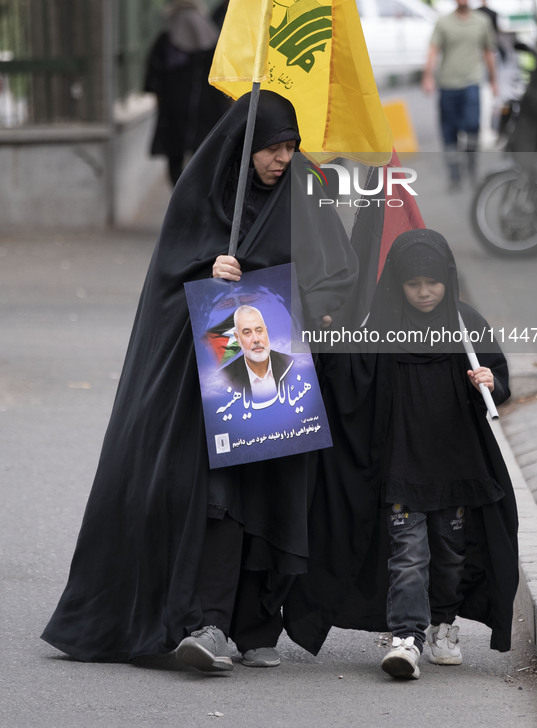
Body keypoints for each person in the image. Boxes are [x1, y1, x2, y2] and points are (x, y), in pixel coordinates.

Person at [41, 90, 358, 673]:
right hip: (206, 378)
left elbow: (338, 272)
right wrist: (210, 268)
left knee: (275, 488)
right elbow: (169, 275)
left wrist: (321, 306)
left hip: (283, 369)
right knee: (218, 498)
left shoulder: (304, 195)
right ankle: (205, 621)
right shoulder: (205, 192)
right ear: (243, 147)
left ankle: (256, 626)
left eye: (290, 147)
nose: (282, 159)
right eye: (270, 148)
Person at [283, 229, 518, 682]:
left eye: (433, 282)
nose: (425, 292)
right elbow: (350, 385)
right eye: (414, 283)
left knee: (449, 555)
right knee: (408, 555)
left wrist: (490, 383)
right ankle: (405, 637)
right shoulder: (377, 328)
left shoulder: (465, 325)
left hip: (456, 469)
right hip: (400, 467)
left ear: (448, 279)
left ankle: (442, 624)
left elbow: (497, 382)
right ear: (397, 283)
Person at [144, 0, 229, 186]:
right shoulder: (214, 40)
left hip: (174, 111)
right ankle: (199, 201)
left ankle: (179, 199)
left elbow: (153, 78)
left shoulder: (165, 40)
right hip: (209, 110)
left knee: (175, 157)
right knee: (206, 157)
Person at [422, 0, 498, 189]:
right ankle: (454, 175)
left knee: (473, 126)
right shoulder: (444, 22)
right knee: (449, 132)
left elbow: (488, 52)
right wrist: (427, 76)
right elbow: (433, 50)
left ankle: (472, 165)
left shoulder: (482, 21)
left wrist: (494, 80)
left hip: (471, 82)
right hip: (447, 84)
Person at [221, 305, 293, 404]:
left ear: (266, 332)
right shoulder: (224, 378)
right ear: (237, 338)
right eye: (247, 332)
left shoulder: (292, 365)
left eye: (259, 331)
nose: (256, 339)